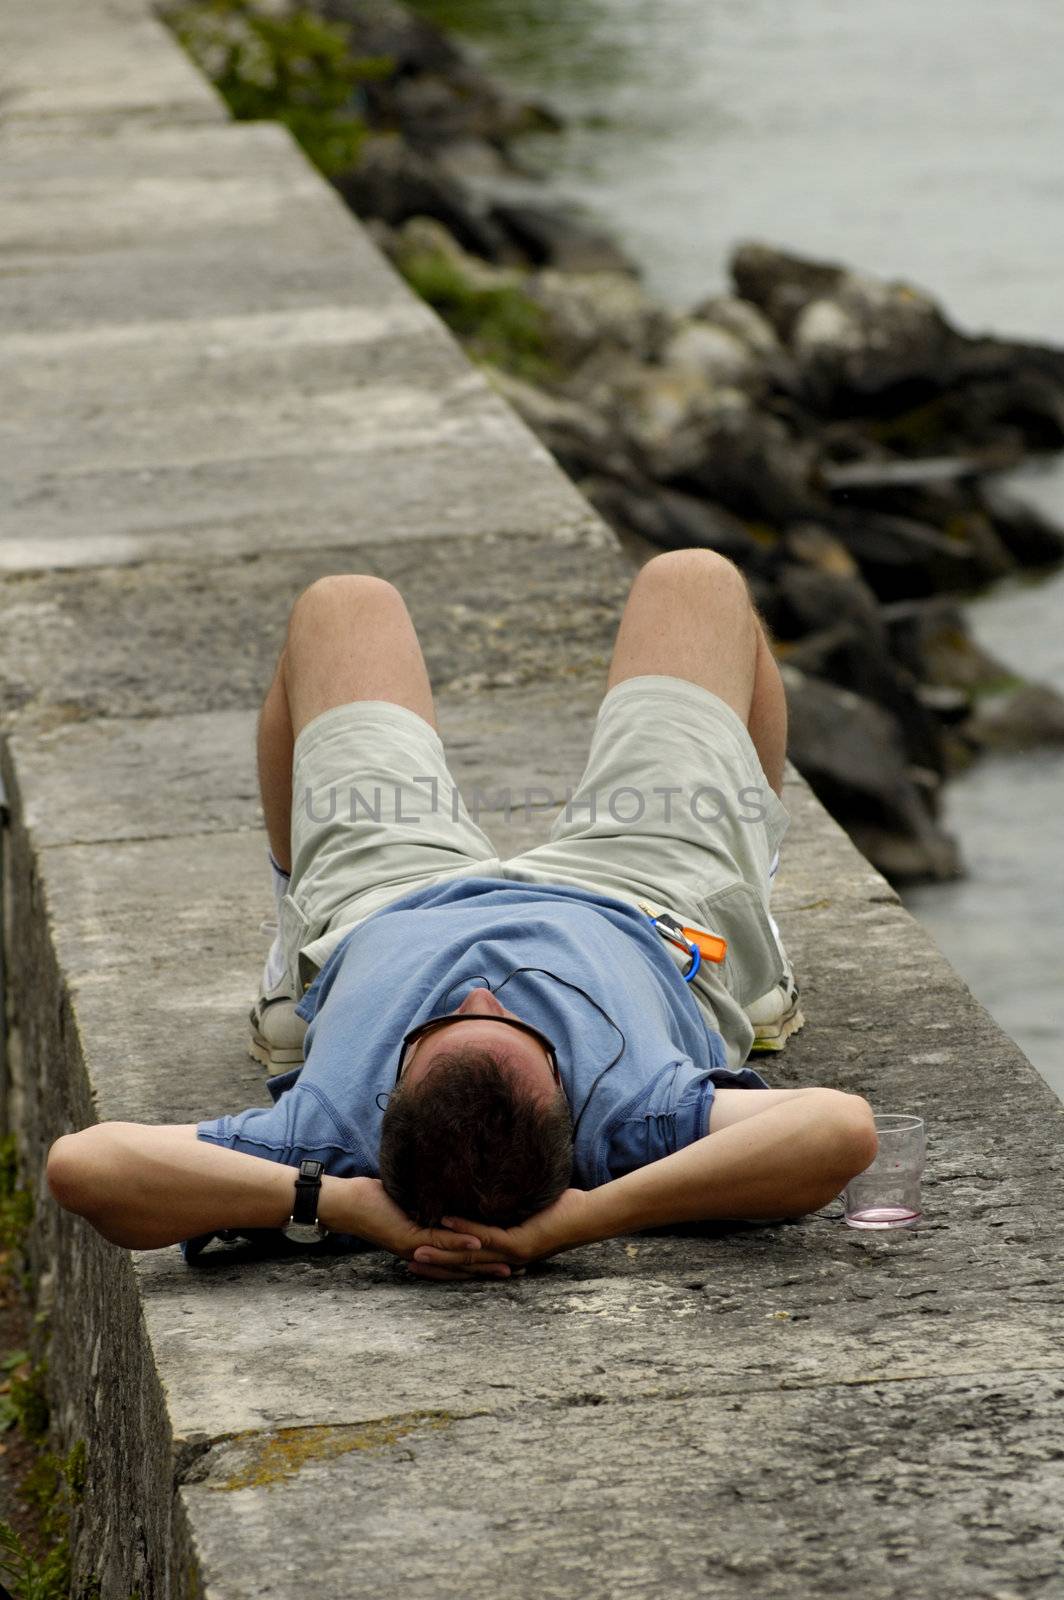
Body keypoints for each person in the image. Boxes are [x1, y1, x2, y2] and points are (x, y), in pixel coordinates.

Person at [47, 550, 877, 1281]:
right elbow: (839, 1129)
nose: (480, 988)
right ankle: (755, 954)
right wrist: (584, 1220)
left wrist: (341, 1204)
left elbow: (86, 1167)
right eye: (521, 1029)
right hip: (640, 901)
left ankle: (294, 952)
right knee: (696, 582)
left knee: (342, 605)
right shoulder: (635, 1116)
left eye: (436, 1028)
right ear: (566, 1100)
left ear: (389, 1102)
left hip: (381, 906)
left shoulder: (332, 1130)